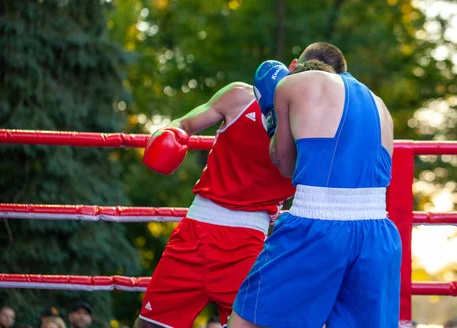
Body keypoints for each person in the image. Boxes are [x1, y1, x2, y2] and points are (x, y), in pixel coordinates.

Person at [229, 42, 402, 327]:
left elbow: (284, 165)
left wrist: (272, 116)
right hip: (378, 234)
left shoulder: (291, 85)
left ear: (296, 66)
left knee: (247, 322)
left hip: (317, 226)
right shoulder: (379, 103)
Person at [138, 82, 295, 328]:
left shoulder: (314, 130)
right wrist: (171, 133)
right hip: (195, 229)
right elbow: (184, 123)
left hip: (247, 242)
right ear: (294, 66)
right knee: (151, 323)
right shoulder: (240, 97)